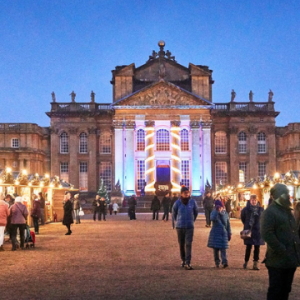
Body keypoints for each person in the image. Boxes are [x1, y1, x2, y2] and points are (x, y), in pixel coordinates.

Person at [261, 183, 300, 300]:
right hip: (277, 260)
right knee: (276, 290)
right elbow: (267, 234)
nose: (288, 196)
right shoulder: (269, 212)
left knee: (286, 289)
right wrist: (282, 249)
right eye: (285, 194)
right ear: (278, 195)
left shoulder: (288, 211)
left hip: (290, 260)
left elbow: (294, 231)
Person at [172, 186, 198, 270]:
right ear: (181, 194)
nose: (186, 193)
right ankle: (183, 260)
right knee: (181, 244)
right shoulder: (177, 203)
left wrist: (192, 220)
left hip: (189, 226)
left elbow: (196, 212)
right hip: (180, 226)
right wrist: (177, 221)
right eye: (185, 192)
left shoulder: (193, 202)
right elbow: (174, 213)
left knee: (188, 244)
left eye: (187, 192)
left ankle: (188, 262)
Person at [241, 195, 264, 270]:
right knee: (248, 247)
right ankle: (246, 262)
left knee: (257, 247)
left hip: (257, 230)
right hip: (249, 230)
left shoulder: (261, 209)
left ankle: (255, 264)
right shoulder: (245, 209)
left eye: (255, 200)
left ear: (257, 201)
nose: (253, 201)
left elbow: (263, 219)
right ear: (250, 201)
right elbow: (243, 218)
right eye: (252, 200)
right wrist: (247, 225)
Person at [207, 200, 231, 268]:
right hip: (216, 233)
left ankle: (224, 262)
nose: (220, 208)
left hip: (223, 233)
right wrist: (216, 211)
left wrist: (229, 233)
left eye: (220, 207)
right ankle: (217, 262)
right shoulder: (214, 213)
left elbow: (228, 224)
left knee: (223, 249)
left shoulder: (225, 213)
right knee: (216, 249)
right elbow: (212, 218)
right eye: (218, 207)